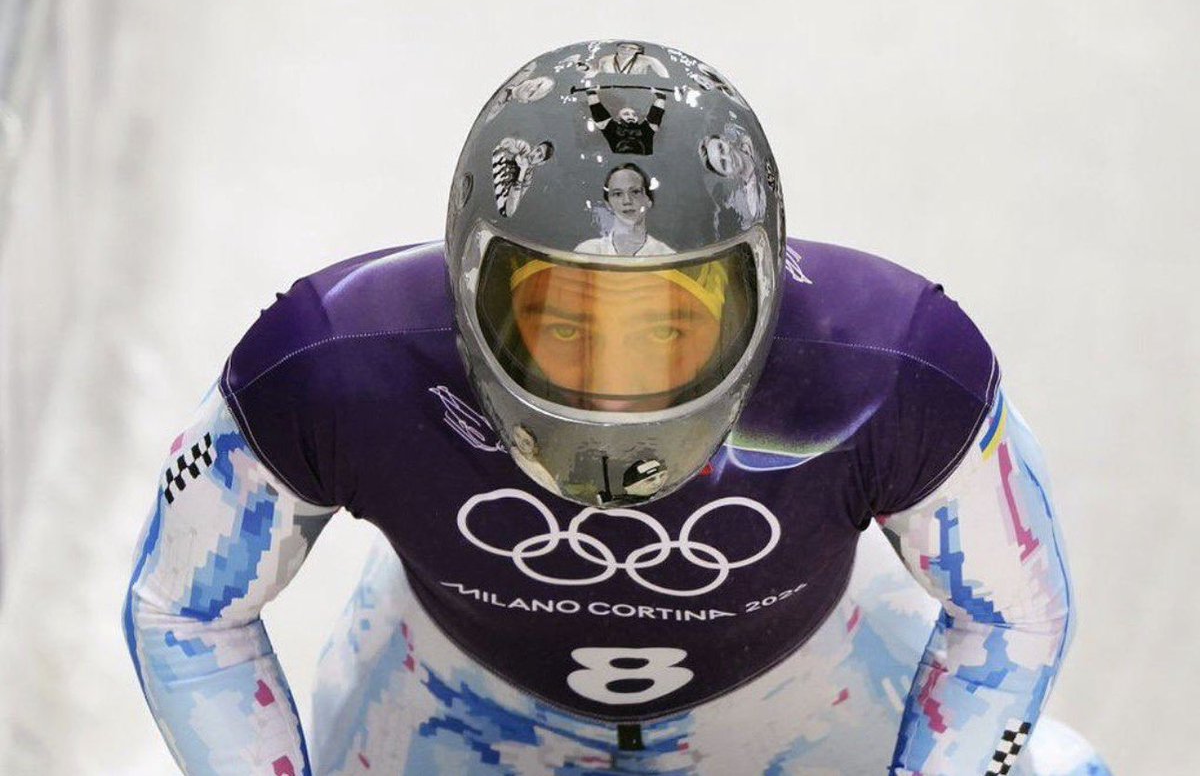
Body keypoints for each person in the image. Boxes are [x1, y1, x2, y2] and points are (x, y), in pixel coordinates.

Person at [123, 40, 1110, 775]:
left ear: (766, 293)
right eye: (564, 321)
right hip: (808, 692)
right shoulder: (897, 366)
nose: (613, 382)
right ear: (466, 287)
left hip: (440, 701)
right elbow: (1014, 612)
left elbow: (187, 607)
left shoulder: (331, 358)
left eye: (669, 324)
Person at [574, 163, 675, 256]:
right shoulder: (587, 252)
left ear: (649, 200)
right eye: (618, 194)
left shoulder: (666, 255)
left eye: (635, 192)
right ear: (608, 204)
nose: (627, 201)